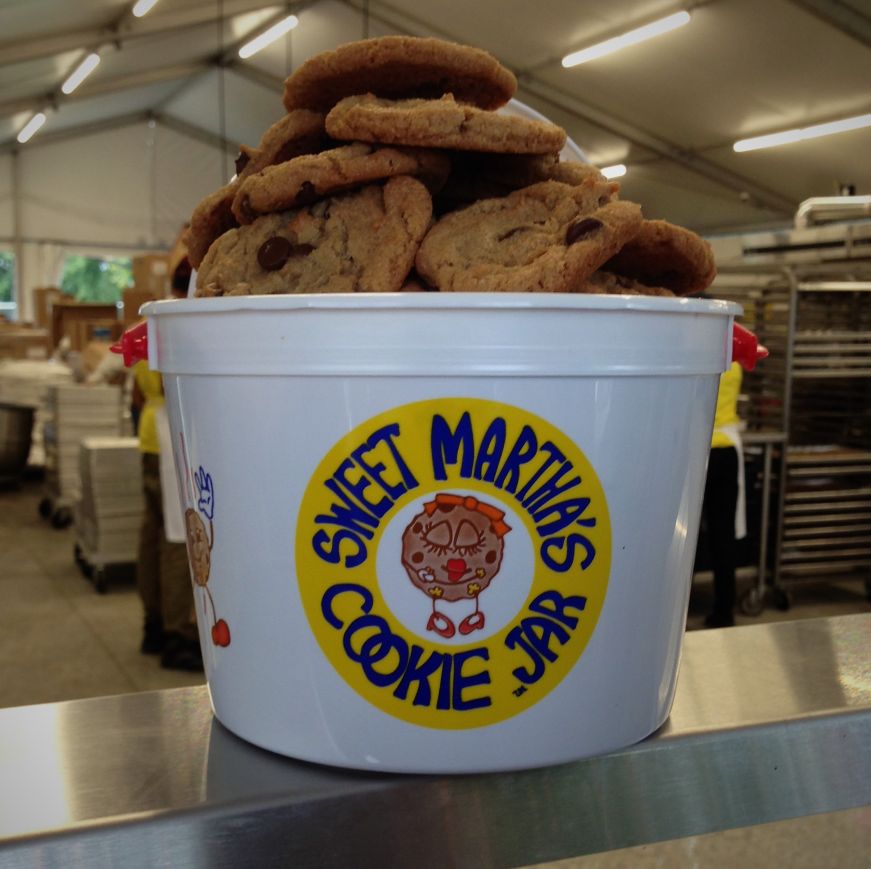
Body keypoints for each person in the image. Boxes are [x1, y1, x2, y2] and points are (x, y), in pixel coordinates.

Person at [134, 255, 202, 670]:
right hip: (173, 436)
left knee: (152, 535)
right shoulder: (182, 327)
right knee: (179, 539)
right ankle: (179, 634)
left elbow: (138, 394)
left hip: (147, 437)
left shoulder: (150, 325)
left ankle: (153, 623)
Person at [700, 360, 745, 628]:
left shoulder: (698, 358)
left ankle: (676, 608)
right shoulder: (735, 363)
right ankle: (724, 610)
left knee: (685, 534)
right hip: (727, 451)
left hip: (699, 449)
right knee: (723, 535)